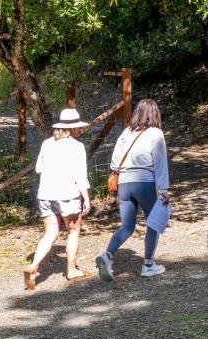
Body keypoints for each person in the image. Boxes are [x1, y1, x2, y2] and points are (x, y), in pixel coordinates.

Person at [95, 99, 171, 280]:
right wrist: (163, 189)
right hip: (144, 182)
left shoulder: (126, 132)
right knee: (153, 222)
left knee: (127, 226)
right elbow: (160, 162)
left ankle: (107, 255)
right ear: (154, 114)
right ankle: (148, 265)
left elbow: (114, 162)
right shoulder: (156, 133)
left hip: (124, 183)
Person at [24, 107, 92, 290]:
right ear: (73, 128)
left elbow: (39, 168)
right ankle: (71, 270)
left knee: (50, 232)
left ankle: (33, 266)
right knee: (73, 231)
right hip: (67, 195)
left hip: (46, 195)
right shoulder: (77, 146)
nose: (80, 129)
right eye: (78, 127)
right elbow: (80, 176)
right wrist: (86, 198)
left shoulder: (47, 143)